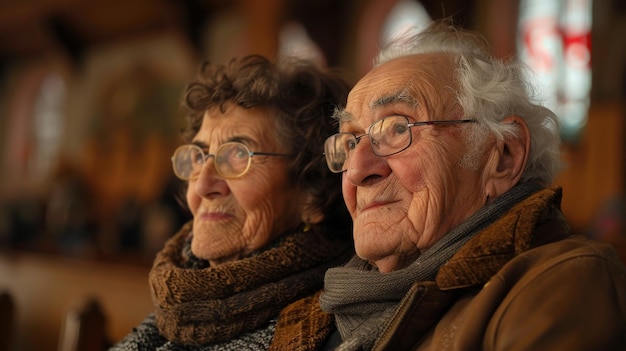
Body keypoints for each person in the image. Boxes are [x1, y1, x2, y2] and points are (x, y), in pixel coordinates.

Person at [314, 20, 626, 350]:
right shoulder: (328, 307)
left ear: (503, 157)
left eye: (398, 128)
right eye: (350, 142)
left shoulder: (566, 284)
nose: (357, 170)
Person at [111, 54, 353, 350]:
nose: (202, 185)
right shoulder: (183, 305)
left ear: (312, 192)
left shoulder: (331, 328)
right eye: (199, 156)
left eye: (239, 154)